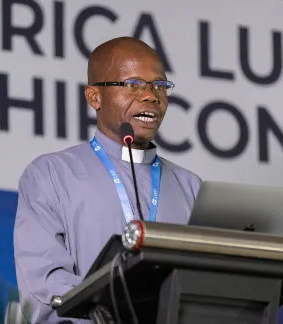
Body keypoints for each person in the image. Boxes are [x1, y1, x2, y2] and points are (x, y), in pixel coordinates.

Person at [13, 37, 202, 323]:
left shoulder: (191, 187)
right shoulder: (50, 175)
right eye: (133, 85)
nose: (151, 95)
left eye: (159, 86)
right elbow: (46, 287)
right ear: (94, 97)